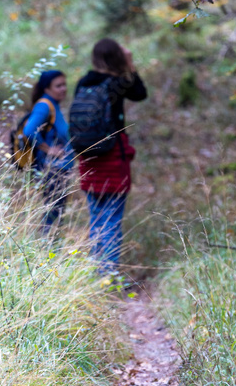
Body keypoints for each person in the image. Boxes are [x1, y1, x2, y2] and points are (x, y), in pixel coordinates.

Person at [74, 38, 147, 271]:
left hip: (88, 159)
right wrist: (130, 64)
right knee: (113, 218)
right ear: (116, 58)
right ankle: (109, 276)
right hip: (113, 158)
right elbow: (140, 93)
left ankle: (97, 272)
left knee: (96, 217)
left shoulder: (82, 83)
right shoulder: (116, 84)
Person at [22, 69, 74, 232]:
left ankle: (50, 249)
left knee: (55, 212)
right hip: (52, 169)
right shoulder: (45, 105)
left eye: (64, 85)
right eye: (58, 86)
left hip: (59, 169)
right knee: (52, 214)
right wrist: (49, 149)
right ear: (47, 88)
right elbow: (28, 131)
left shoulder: (54, 105)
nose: (63, 89)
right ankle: (48, 249)